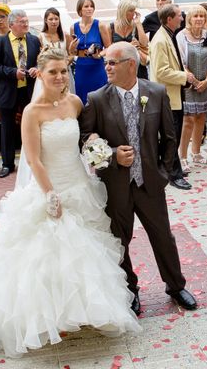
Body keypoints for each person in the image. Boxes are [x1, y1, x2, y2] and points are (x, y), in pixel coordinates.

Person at [0, 48, 141, 360]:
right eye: (53, 72)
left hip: (80, 185)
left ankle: (83, 313)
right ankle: (49, 318)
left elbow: (86, 139)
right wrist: (50, 194)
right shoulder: (33, 112)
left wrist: (96, 149)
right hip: (51, 187)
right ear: (41, 74)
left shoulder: (75, 103)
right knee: (47, 255)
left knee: (84, 251)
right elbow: (34, 159)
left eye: (64, 71)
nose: (60, 77)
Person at [80, 41, 198, 315]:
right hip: (115, 186)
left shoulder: (155, 93)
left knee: (163, 237)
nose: (106, 66)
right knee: (119, 240)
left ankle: (176, 286)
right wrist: (110, 154)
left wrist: (163, 173)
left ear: (131, 65)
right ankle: (129, 290)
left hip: (150, 183)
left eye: (112, 62)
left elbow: (169, 137)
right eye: (106, 62)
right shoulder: (97, 98)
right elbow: (85, 140)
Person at [0, 9, 40, 178]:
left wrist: (36, 69)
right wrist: (12, 73)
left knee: (32, 127)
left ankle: (33, 161)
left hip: (29, 90)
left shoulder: (33, 40)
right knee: (7, 129)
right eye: (21, 22)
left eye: (26, 21)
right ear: (11, 25)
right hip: (8, 91)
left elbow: (42, 61)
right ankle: (7, 164)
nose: (26, 24)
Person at [149, 3, 194, 190]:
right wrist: (185, 76)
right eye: (179, 15)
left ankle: (172, 168)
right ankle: (172, 174)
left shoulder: (168, 35)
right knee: (171, 136)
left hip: (174, 94)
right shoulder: (160, 40)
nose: (182, 18)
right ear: (169, 19)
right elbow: (160, 72)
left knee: (173, 134)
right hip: (167, 96)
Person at [176, 5, 207, 170]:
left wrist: (206, 81)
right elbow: (180, 63)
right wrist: (194, 82)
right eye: (196, 16)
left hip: (205, 83)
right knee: (188, 120)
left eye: (202, 16)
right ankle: (183, 156)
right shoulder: (181, 36)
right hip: (188, 85)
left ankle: (197, 152)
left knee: (201, 117)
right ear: (189, 19)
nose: (200, 19)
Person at [71, 0, 111, 105]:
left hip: (97, 66)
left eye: (91, 6)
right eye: (86, 6)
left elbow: (108, 47)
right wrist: (71, 48)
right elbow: (72, 52)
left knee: (100, 99)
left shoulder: (100, 25)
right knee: (82, 98)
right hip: (81, 67)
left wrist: (100, 55)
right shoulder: (73, 27)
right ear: (80, 10)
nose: (90, 9)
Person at [38, 7, 76, 93]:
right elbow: (40, 58)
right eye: (50, 19)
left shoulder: (65, 35)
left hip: (64, 71)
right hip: (49, 72)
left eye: (56, 19)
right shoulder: (41, 37)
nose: (54, 21)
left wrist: (65, 63)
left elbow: (72, 54)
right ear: (45, 21)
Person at [110, 0, 149, 79]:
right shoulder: (111, 27)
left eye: (134, 10)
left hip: (137, 66)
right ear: (123, 12)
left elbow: (145, 43)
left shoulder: (136, 25)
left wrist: (138, 23)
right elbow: (109, 50)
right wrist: (128, 46)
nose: (134, 13)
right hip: (119, 67)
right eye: (131, 11)